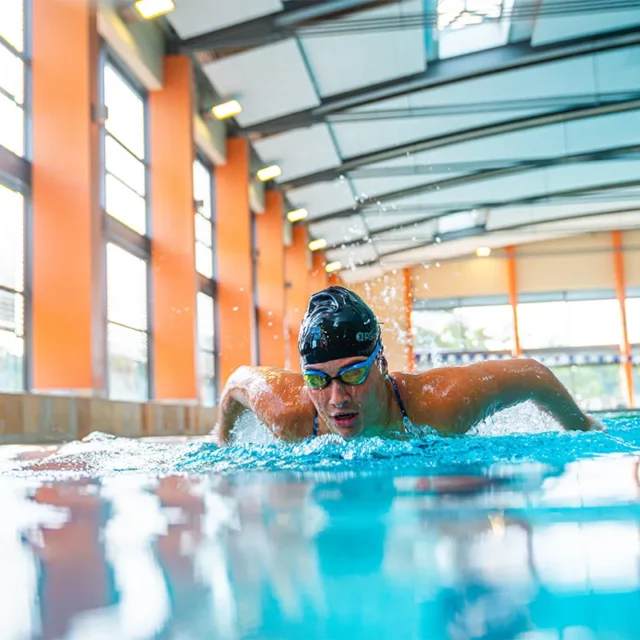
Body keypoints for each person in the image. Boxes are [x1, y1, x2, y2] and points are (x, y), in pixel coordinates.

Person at [216, 286, 601, 443]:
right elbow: (236, 382)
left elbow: (533, 374)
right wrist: (221, 439)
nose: (336, 398)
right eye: (318, 380)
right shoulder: (290, 415)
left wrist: (583, 428)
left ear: (380, 362)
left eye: (352, 374)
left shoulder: (439, 405)